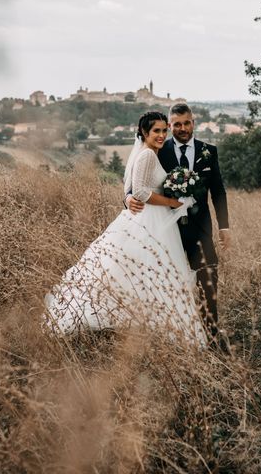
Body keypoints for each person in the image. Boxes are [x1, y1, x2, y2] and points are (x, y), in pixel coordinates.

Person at [45, 111, 206, 346]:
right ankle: (160, 329)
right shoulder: (148, 156)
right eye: (156, 131)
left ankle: (145, 326)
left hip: (149, 218)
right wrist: (172, 202)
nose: (162, 135)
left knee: (141, 272)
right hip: (149, 220)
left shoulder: (148, 153)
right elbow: (140, 192)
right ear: (144, 132)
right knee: (153, 271)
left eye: (164, 130)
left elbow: (130, 187)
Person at [126, 103, 230, 347]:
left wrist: (224, 226)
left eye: (187, 123)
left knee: (208, 278)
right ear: (170, 126)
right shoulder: (158, 148)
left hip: (200, 229)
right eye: (177, 125)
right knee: (165, 281)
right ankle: (168, 334)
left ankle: (211, 334)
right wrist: (127, 198)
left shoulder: (208, 151)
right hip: (166, 229)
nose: (182, 129)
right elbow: (136, 184)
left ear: (193, 122)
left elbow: (218, 191)